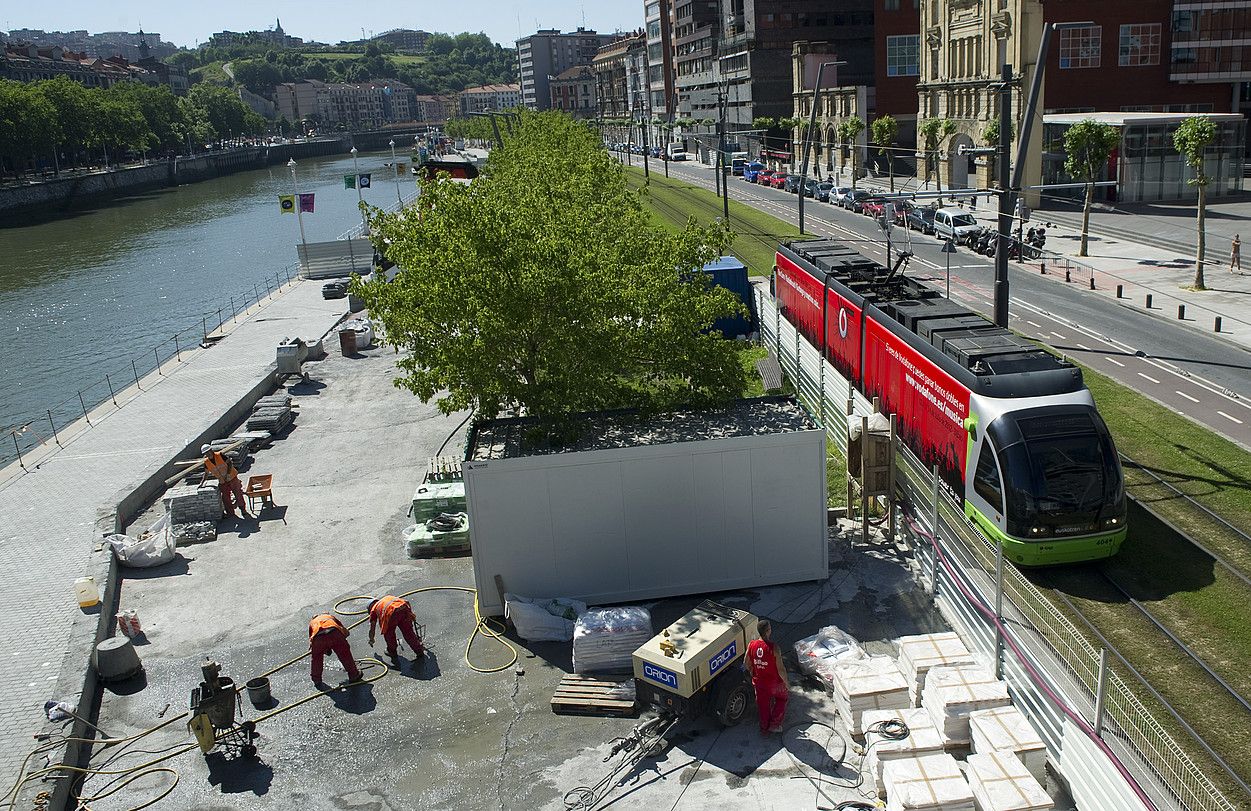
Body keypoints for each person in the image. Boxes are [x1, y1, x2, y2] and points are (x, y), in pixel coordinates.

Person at [746, 619, 789, 734]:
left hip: (760, 683)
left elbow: (746, 662)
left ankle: (764, 728)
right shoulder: (774, 648)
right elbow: (780, 669)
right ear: (768, 631)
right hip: (775, 683)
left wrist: (753, 672)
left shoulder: (751, 645)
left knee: (763, 706)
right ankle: (774, 724)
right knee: (782, 699)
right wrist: (786, 683)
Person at [308, 612, 362, 686]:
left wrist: (325, 648)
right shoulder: (329, 617)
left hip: (318, 637)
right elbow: (345, 632)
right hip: (334, 631)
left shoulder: (312, 622)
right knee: (344, 653)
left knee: (316, 658)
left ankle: (316, 679)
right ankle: (354, 675)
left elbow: (312, 642)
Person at [368, 595, 426, 663]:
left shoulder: (374, 609)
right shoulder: (387, 597)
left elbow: (372, 628)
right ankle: (419, 651)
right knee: (408, 632)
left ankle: (392, 652)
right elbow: (405, 601)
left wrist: (371, 640)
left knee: (389, 634)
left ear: (370, 606)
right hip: (403, 607)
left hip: (391, 613)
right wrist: (410, 614)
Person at [201, 445, 252, 519]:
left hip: (231, 477)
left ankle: (243, 510)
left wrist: (228, 474)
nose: (208, 454)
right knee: (225, 498)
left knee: (238, 494)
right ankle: (230, 513)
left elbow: (230, 463)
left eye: (208, 452)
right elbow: (206, 473)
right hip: (222, 481)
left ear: (211, 450)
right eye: (206, 453)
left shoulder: (220, 455)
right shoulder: (206, 462)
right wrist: (202, 482)